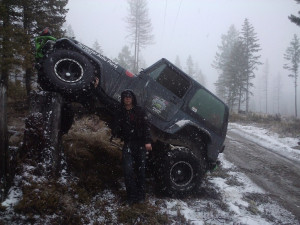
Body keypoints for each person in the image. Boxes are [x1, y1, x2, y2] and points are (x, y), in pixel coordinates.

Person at [111, 89, 152, 205]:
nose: (127, 98)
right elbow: (106, 100)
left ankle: (141, 197)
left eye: (129, 96)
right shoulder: (120, 111)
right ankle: (131, 197)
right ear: (123, 99)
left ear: (133, 98)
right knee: (128, 171)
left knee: (141, 172)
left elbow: (146, 127)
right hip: (128, 144)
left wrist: (148, 141)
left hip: (140, 145)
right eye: (125, 97)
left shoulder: (139, 111)